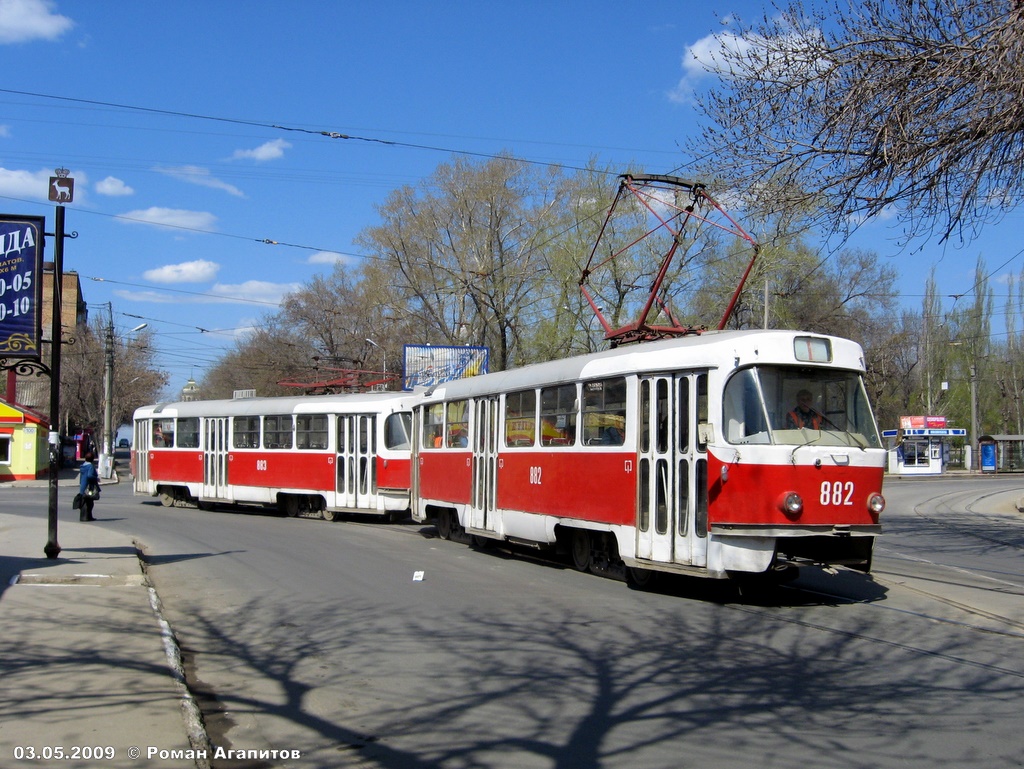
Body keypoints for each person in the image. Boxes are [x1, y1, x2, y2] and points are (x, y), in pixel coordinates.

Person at [78, 452, 99, 522]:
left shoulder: (83, 466)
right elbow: (90, 476)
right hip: (89, 488)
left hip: (83, 487)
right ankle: (87, 517)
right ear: (92, 459)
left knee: (85, 501)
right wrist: (96, 478)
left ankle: (86, 516)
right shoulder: (90, 466)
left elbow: (81, 477)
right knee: (90, 502)